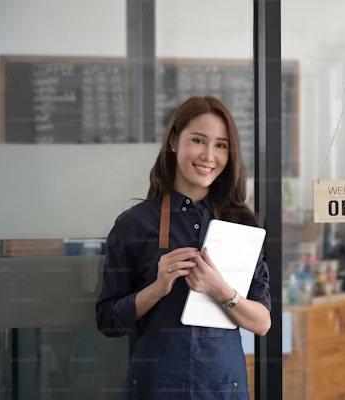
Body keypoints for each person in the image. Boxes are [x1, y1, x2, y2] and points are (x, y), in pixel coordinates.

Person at [95, 96, 272, 400]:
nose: (208, 155)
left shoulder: (242, 225)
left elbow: (262, 322)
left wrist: (220, 291)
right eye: (198, 140)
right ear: (175, 141)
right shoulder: (134, 224)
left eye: (221, 145)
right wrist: (157, 288)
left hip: (222, 388)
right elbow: (108, 321)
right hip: (153, 389)